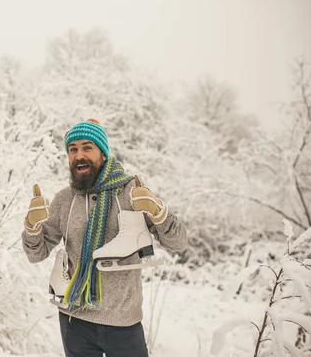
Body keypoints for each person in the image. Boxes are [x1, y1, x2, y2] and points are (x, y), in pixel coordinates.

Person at [21, 119, 188, 357]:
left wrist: (159, 212)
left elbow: (179, 242)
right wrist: (31, 225)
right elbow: (35, 254)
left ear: (103, 152)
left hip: (123, 324)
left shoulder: (131, 191)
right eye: (73, 149)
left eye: (88, 147)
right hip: (74, 320)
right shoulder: (64, 200)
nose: (79, 155)